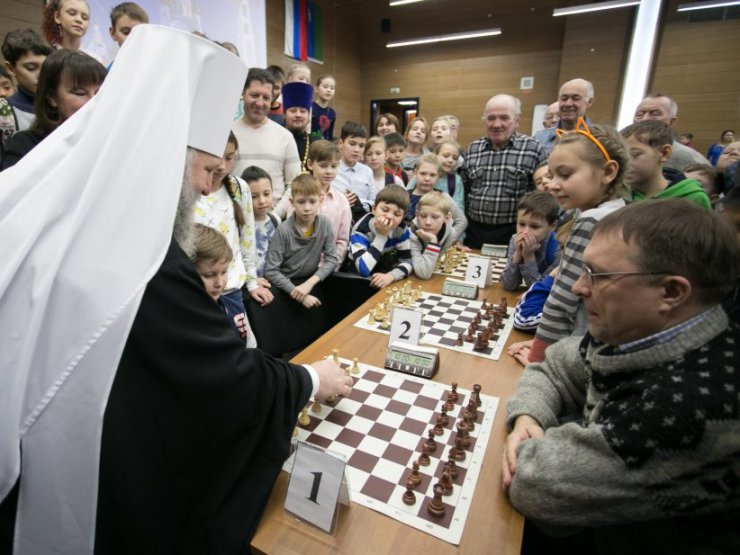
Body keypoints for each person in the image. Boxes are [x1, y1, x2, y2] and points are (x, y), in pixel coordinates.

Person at [0, 25, 352, 555]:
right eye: (207, 168)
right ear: (169, 153)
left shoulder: (52, 204)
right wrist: (308, 379)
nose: (209, 187)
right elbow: (218, 378)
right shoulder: (142, 256)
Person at [502, 199, 740, 554]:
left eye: (598, 275)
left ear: (671, 292)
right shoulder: (634, 333)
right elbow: (553, 367)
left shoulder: (694, 405)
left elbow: (534, 484)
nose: (578, 287)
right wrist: (528, 416)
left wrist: (540, 441)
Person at [509, 119, 628, 365]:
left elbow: (561, 302)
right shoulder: (618, 211)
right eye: (551, 175)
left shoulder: (591, 220)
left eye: (565, 174)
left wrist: (540, 360)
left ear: (608, 172)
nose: (552, 185)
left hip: (577, 350)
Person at [193, 131, 272, 341]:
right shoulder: (190, 189)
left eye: (229, 157)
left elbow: (247, 237)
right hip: (199, 289)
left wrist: (252, 281)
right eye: (217, 157)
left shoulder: (238, 187)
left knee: (243, 345)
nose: (222, 166)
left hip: (232, 287)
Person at [461, 94, 546, 248]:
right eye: (491, 118)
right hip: (474, 232)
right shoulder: (473, 148)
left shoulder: (533, 149)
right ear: (485, 121)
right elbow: (465, 190)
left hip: (513, 233)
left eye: (504, 118)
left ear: (517, 121)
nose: (496, 124)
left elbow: (541, 197)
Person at [1, 49, 106, 170]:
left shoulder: (109, 135)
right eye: (80, 93)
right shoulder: (24, 145)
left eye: (99, 92)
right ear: (51, 97)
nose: (93, 100)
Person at [264, 174, 338, 308]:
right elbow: (271, 271)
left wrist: (309, 284)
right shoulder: (283, 230)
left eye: (312, 201)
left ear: (321, 200)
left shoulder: (325, 223)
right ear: (292, 202)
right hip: (284, 288)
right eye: (301, 202)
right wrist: (299, 294)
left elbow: (331, 259)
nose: (307, 208)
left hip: (311, 283)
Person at [275, 139, 352, 266]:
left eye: (334, 166)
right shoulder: (297, 194)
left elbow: (342, 240)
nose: (329, 171)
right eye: (323, 166)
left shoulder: (342, 201)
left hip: (329, 268)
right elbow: (292, 233)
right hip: (297, 266)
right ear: (310, 164)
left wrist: (329, 266)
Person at [231, 67, 301, 205]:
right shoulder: (228, 134)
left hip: (275, 215)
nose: (259, 103)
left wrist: (274, 215)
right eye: (254, 95)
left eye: (266, 98)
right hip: (233, 214)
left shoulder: (285, 137)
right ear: (243, 93)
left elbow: (294, 184)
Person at [621, 120, 711, 209]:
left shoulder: (694, 198)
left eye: (635, 154)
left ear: (664, 153)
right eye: (621, 156)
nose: (624, 163)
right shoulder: (620, 194)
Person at [193, 224, 253, 345]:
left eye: (224, 272)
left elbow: (249, 347)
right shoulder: (184, 323)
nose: (219, 283)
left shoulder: (235, 308)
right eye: (209, 275)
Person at [348, 184, 412, 288]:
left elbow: (408, 261)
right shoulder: (361, 230)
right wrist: (382, 236)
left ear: (403, 217)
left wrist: (391, 276)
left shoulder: (401, 230)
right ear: (374, 209)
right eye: (385, 210)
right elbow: (363, 269)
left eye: (397, 214)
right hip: (356, 274)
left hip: (383, 271)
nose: (389, 216)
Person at [500, 191, 561, 292]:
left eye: (534, 226)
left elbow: (539, 290)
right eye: (521, 224)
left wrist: (528, 257)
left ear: (552, 226)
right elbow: (508, 285)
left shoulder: (559, 248)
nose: (525, 232)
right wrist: (518, 254)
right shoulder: (516, 239)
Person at [633, 92, 707, 171]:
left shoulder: (692, 160)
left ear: (671, 121)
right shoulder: (624, 149)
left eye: (655, 114)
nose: (645, 119)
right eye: (640, 114)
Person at [405, 153, 467, 242]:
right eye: (423, 173)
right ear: (415, 173)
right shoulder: (405, 195)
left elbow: (461, 221)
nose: (427, 178)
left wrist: (445, 241)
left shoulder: (443, 197)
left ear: (438, 176)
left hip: (432, 246)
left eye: (432, 175)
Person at [1, 28, 53, 132]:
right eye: (31, 67)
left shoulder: (61, 105)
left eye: (45, 67)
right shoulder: (3, 111)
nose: (41, 74)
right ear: (10, 68)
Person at [534, 78, 594, 155]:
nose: (568, 104)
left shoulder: (599, 138)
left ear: (589, 102)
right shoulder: (540, 138)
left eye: (575, 98)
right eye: (564, 98)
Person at [333, 121, 376, 222]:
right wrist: (342, 202)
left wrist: (359, 202)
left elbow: (374, 202)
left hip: (361, 222)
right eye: (352, 144)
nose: (357, 150)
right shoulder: (331, 169)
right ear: (341, 143)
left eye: (361, 146)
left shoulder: (367, 171)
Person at [409, 192, 457, 279]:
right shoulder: (412, 234)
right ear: (417, 214)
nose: (428, 222)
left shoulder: (450, 233)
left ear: (447, 217)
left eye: (435, 217)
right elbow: (424, 273)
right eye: (423, 216)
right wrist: (433, 242)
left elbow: (435, 261)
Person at [243, 165, 278, 277]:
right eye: (254, 196)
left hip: (272, 281)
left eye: (266, 194)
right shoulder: (240, 225)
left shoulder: (275, 221)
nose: (262, 201)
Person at [280, 80, 314, 173]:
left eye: (303, 111)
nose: (298, 115)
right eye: (293, 110)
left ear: (308, 115)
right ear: (284, 114)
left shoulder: (315, 144)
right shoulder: (274, 138)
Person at [433, 140, 464, 213]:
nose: (450, 160)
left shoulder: (456, 180)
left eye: (455, 158)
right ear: (435, 156)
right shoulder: (423, 173)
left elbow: (459, 210)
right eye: (446, 156)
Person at [311, 74, 336, 140]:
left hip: (324, 145)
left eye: (332, 88)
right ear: (316, 89)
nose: (329, 90)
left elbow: (330, 135)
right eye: (325, 87)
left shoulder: (332, 113)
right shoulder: (310, 107)